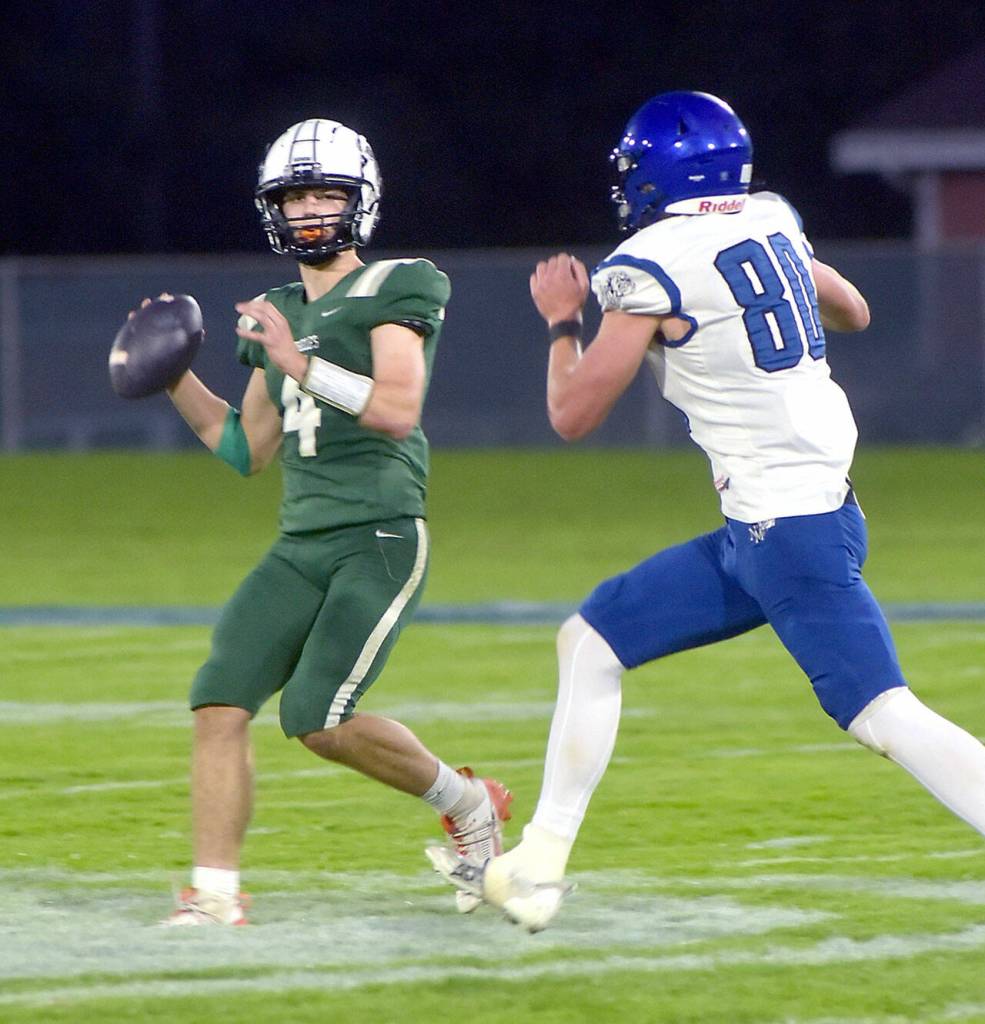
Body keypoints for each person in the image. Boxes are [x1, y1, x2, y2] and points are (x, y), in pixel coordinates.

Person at [427, 91, 985, 931]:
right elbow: (856, 311)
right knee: (591, 640)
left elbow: (572, 414)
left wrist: (559, 325)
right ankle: (536, 866)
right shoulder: (768, 218)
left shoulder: (650, 264)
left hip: (787, 532)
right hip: (780, 521)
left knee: (882, 715)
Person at [159, 118, 511, 925]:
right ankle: (214, 898)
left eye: (326, 194)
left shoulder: (400, 284)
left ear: (360, 202)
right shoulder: (278, 308)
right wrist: (173, 375)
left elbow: (396, 407)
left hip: (380, 534)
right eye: (294, 195)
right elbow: (244, 449)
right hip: (300, 543)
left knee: (315, 719)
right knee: (218, 701)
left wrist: (298, 364)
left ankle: (467, 806)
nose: (310, 209)